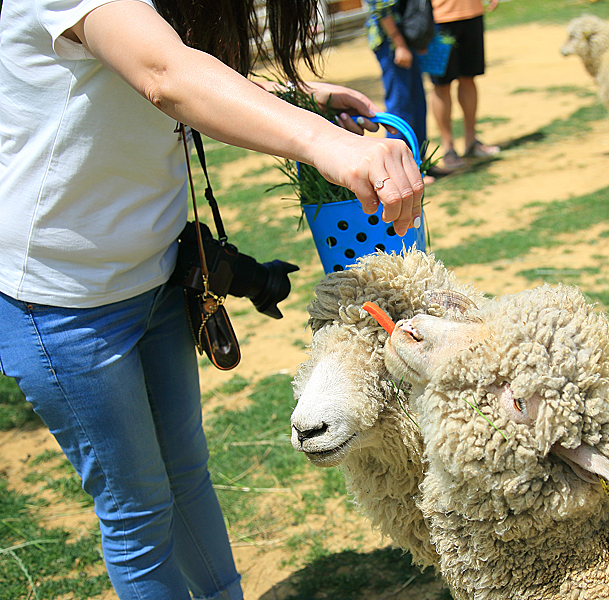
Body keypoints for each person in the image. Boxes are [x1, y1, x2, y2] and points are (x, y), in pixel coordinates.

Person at [0, 0, 422, 597]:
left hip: (157, 278)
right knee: (138, 510)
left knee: (186, 476)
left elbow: (179, 66)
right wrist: (328, 143)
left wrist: (295, 93)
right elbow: (164, 74)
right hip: (63, 303)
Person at [430, 0, 500, 169]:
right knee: (442, 85)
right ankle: (448, 148)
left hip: (472, 14)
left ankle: (471, 141)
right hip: (439, 20)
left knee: (469, 78)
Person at [365, 0, 429, 158]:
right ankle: (398, 166)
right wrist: (399, 44)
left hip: (405, 38)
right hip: (391, 42)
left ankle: (420, 164)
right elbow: (381, 8)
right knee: (400, 107)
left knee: (417, 103)